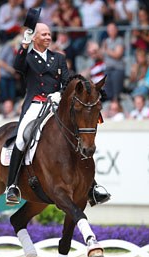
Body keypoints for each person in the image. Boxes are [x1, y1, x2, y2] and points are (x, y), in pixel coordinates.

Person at [6, 22, 110, 206]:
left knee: (77, 135)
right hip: (36, 104)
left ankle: (91, 187)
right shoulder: (28, 58)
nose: (48, 37)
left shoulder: (58, 58)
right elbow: (17, 66)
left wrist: (64, 92)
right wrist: (24, 44)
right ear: (35, 37)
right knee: (22, 137)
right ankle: (12, 185)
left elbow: (67, 81)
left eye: (49, 34)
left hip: (57, 102)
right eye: (44, 34)